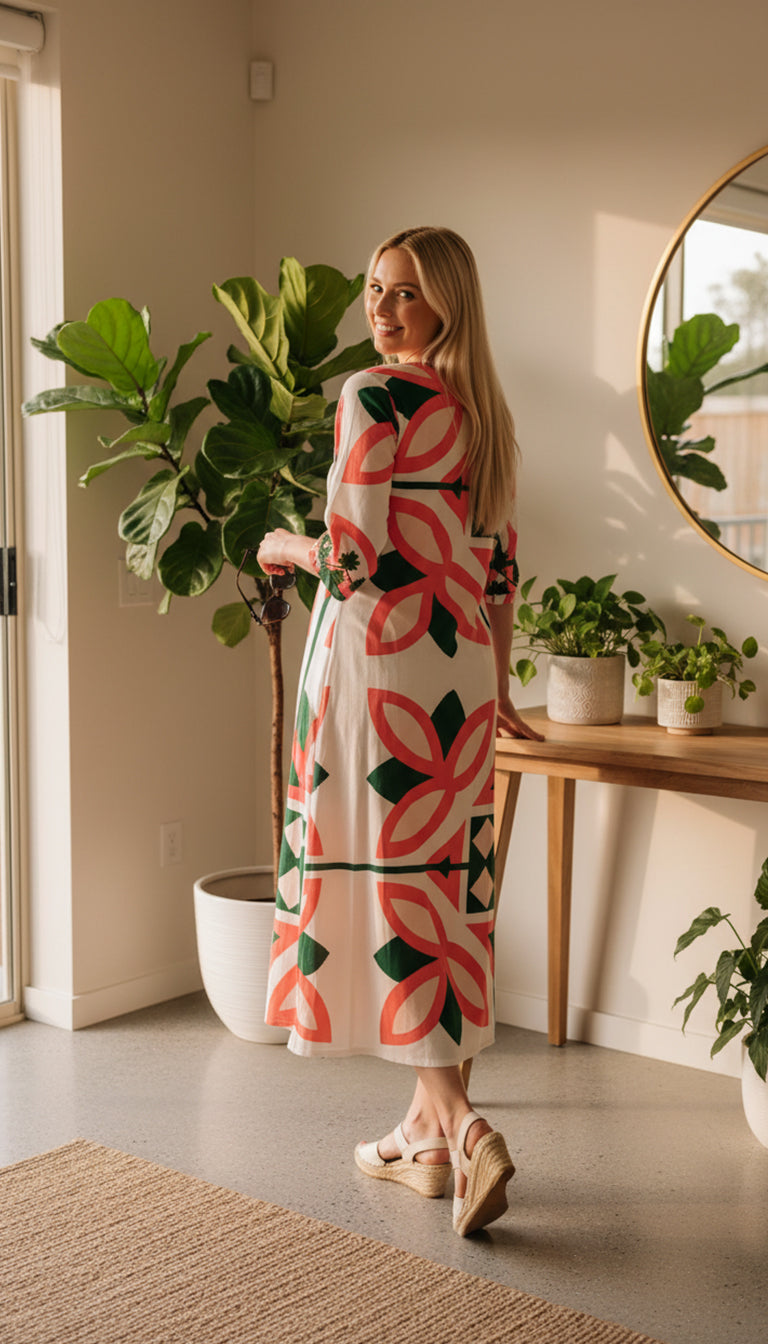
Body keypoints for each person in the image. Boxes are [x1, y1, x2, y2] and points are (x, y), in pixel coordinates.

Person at [257, 226, 542, 1237]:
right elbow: (499, 572)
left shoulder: (374, 396)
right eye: (377, 290)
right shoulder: (483, 416)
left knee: (390, 887)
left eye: (406, 293)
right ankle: (421, 1140)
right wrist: (498, 688)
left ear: (446, 304)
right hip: (455, 672)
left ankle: (463, 1127)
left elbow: (353, 557)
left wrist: (281, 542)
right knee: (436, 888)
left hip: (378, 668)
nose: (381, 309)